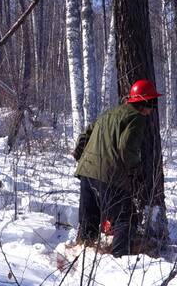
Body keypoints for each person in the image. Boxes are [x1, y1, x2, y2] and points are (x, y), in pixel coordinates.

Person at [72, 79, 162, 257]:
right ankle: (119, 260)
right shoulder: (137, 118)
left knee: (89, 218)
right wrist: (137, 173)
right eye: (153, 103)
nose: (153, 109)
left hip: (86, 172)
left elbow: (84, 136)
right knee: (125, 218)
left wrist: (80, 155)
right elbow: (126, 149)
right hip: (110, 176)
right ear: (145, 103)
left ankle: (82, 253)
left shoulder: (109, 113)